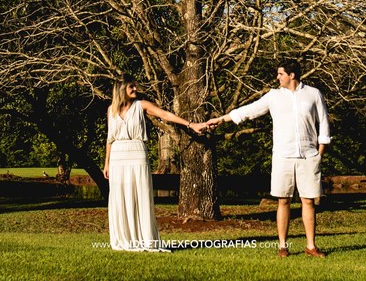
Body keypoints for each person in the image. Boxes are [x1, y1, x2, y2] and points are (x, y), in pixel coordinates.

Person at [206, 58, 330, 258]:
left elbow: (324, 124)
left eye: (280, 74)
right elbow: (250, 111)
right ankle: (282, 245)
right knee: (284, 200)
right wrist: (221, 120)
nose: (277, 77)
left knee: (308, 201)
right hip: (283, 155)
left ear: (292, 75)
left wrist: (319, 154)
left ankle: (311, 246)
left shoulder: (313, 94)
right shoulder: (273, 96)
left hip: (308, 156)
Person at [103, 75, 208, 251]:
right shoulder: (110, 110)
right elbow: (109, 138)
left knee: (140, 196)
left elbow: (164, 114)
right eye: (131, 87)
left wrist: (191, 125)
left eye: (135, 87)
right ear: (121, 89)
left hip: (137, 153)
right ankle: (125, 240)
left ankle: (145, 239)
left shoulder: (141, 106)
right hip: (117, 158)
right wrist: (106, 163)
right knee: (120, 197)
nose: (135, 90)